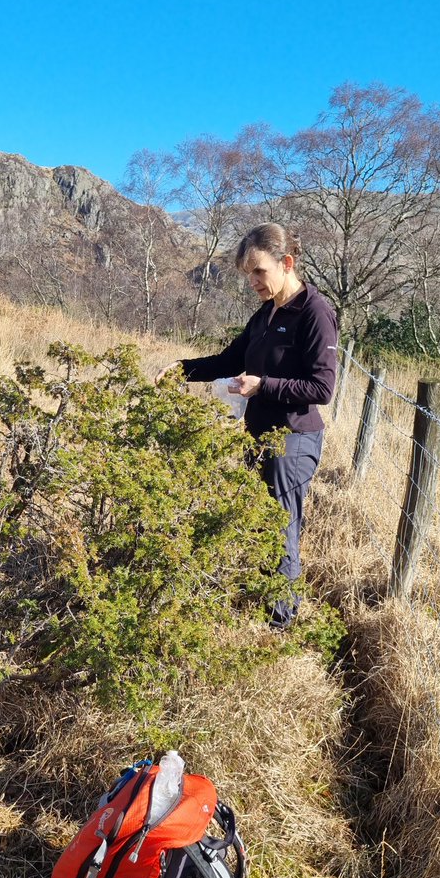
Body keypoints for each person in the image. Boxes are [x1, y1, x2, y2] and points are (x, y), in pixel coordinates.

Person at [156, 223, 337, 627]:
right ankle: (263, 607)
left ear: (286, 263)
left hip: (293, 442)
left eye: (259, 271)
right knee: (259, 526)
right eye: (248, 275)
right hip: (258, 437)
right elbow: (228, 360)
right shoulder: (266, 313)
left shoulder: (315, 312)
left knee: (280, 531)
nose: (253, 281)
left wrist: (264, 385)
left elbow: (322, 387)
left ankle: (279, 627)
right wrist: (182, 370)